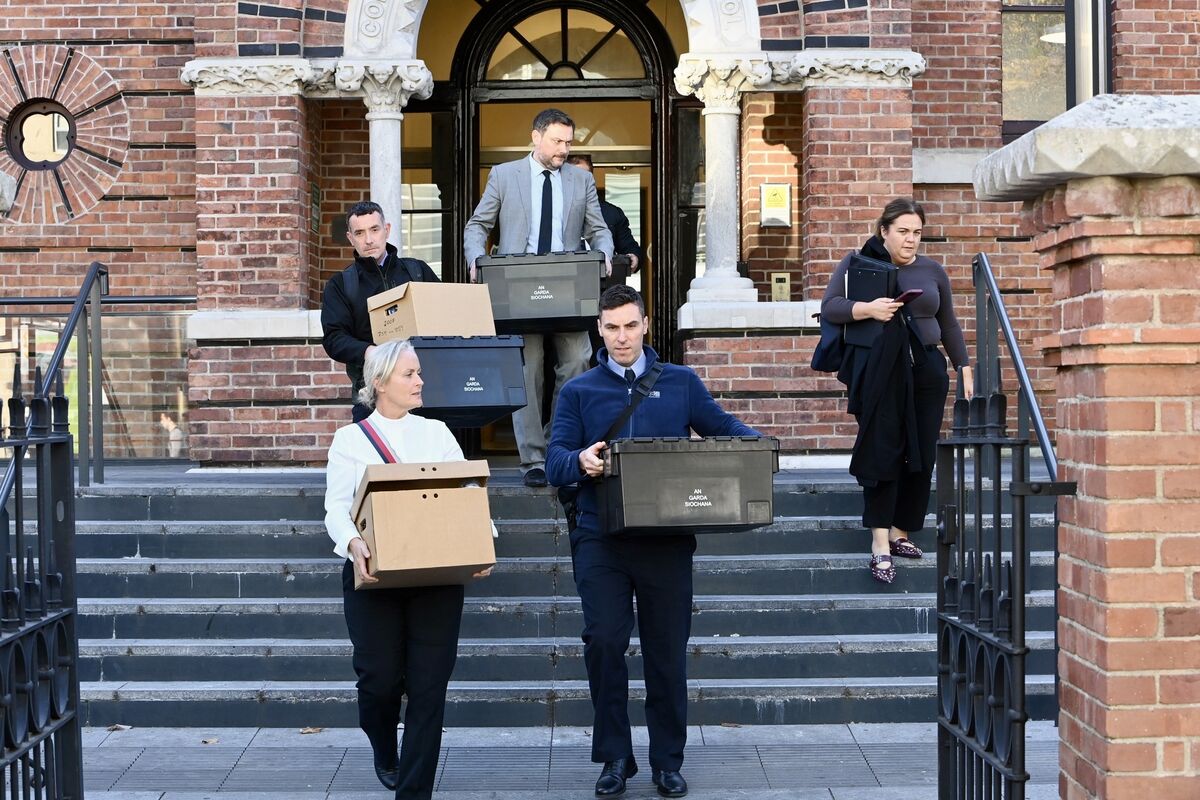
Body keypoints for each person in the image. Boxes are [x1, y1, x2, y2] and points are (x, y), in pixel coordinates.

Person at [547, 285, 759, 799]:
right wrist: (580, 461)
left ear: (646, 325)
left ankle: (667, 760)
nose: (621, 337)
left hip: (666, 538)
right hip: (601, 537)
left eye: (629, 325)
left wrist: (757, 449)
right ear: (599, 329)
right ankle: (616, 757)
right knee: (604, 641)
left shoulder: (681, 382)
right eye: (611, 327)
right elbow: (553, 460)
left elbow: (723, 427)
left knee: (667, 653)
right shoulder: (578, 390)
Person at [323, 339, 491, 799]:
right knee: (378, 680)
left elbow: (469, 490)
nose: (420, 381)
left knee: (429, 687)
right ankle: (383, 744)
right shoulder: (350, 440)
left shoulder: (437, 432)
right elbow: (335, 508)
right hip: (373, 574)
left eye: (419, 373)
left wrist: (480, 542)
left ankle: (414, 791)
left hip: (435, 576)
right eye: (410, 374)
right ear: (379, 383)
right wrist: (353, 541)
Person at [819, 198, 974, 584]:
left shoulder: (932, 270)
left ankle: (902, 531)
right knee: (883, 449)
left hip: (927, 370)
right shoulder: (860, 265)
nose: (911, 240)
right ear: (884, 231)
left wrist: (964, 366)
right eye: (903, 231)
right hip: (881, 372)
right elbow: (831, 306)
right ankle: (879, 543)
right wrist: (869, 309)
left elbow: (949, 324)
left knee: (920, 451)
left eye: (917, 232)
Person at [464, 108, 613, 488]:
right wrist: (475, 261)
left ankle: (555, 445)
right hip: (516, 288)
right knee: (527, 372)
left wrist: (606, 253)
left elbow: (598, 229)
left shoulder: (581, 180)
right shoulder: (504, 175)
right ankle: (532, 458)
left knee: (579, 359)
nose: (564, 149)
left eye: (568, 142)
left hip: (568, 288)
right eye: (557, 141)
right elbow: (478, 225)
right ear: (536, 137)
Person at [322, 201, 439, 422]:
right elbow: (334, 338)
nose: (368, 240)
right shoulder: (341, 284)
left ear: (387, 229)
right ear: (350, 238)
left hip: (425, 390)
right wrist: (370, 352)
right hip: (371, 394)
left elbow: (444, 316)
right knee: (376, 456)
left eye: (374, 229)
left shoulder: (417, 271)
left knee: (429, 456)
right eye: (359, 232)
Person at [565, 154, 644, 275]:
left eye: (583, 178)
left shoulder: (612, 213)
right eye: (573, 178)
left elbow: (629, 247)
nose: (578, 183)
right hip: (563, 281)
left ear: (591, 180)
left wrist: (634, 257)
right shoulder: (553, 211)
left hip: (603, 284)